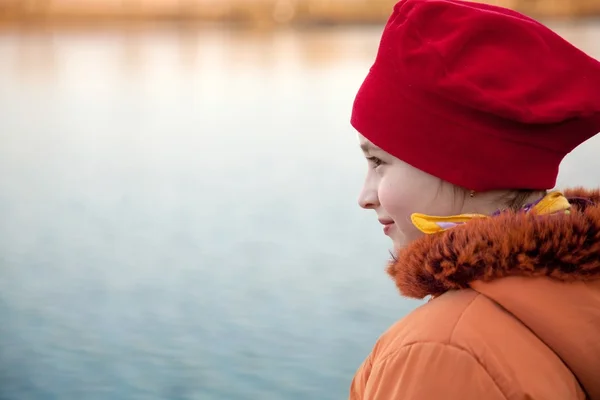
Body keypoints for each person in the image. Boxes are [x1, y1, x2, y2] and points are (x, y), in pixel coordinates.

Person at [348, 0, 600, 399]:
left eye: (379, 161)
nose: (364, 197)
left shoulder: (440, 351)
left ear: (465, 170)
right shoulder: (579, 289)